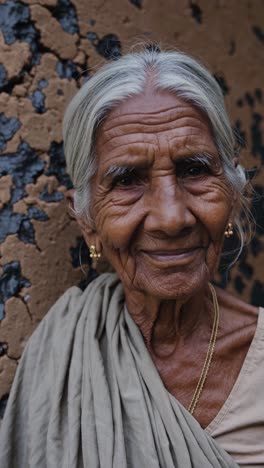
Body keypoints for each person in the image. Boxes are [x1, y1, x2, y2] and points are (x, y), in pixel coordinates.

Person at [0, 46, 263, 468]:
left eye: (194, 169)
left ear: (231, 194)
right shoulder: (61, 355)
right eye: (126, 180)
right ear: (87, 221)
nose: (171, 217)